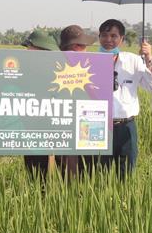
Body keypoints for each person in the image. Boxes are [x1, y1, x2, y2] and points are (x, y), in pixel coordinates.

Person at [95, 19, 152, 177]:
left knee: (127, 173)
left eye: (114, 36)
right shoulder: (90, 61)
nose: (109, 40)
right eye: (105, 35)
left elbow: (151, 86)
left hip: (126, 126)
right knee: (100, 172)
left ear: (121, 39)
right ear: (99, 37)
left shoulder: (132, 61)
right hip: (98, 125)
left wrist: (148, 57)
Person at [56, 25, 96, 177]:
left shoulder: (54, 63)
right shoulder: (82, 66)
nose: (86, 49)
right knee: (72, 171)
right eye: (84, 45)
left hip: (82, 126)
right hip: (67, 128)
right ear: (76, 46)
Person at [21, 29, 60, 180]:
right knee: (36, 173)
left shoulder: (58, 71)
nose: (28, 51)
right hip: (32, 130)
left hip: (56, 129)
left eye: (31, 47)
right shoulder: (24, 70)